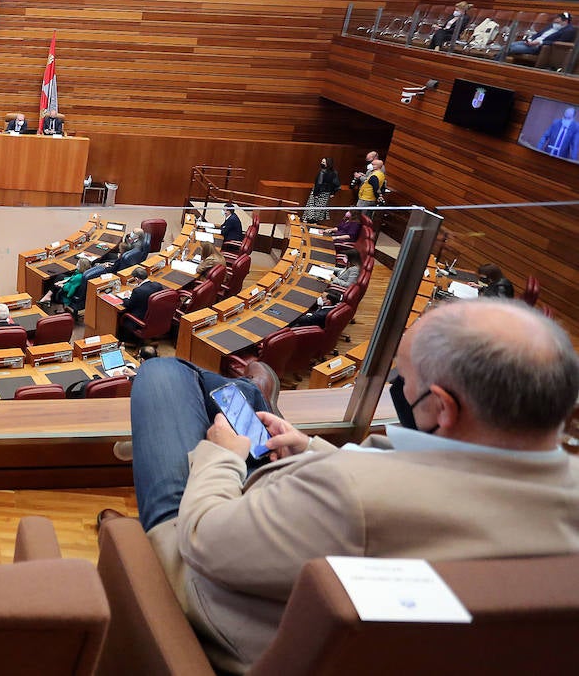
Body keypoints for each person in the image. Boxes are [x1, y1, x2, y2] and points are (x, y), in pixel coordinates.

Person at [108, 299, 579, 672]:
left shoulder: (350, 493)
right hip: (311, 545)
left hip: (214, 592)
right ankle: (252, 397)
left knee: (163, 374)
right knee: (235, 400)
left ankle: (240, 404)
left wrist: (222, 457)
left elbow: (203, 538)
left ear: (443, 408)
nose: (398, 385)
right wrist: (311, 451)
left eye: (403, 379)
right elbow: (426, 490)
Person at [508, 12, 575, 56]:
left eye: (558, 19)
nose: (555, 20)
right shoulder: (552, 25)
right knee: (507, 46)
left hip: (539, 48)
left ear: (565, 21)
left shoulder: (568, 30)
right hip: (530, 43)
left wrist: (540, 42)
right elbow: (539, 34)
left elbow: (558, 43)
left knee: (511, 48)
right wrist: (530, 40)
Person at [304, 157, 339, 224]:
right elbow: (337, 184)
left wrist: (315, 194)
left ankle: (310, 221)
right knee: (319, 209)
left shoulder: (322, 172)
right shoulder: (334, 172)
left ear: (328, 164)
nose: (321, 163)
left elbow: (319, 184)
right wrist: (333, 193)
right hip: (325, 194)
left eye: (323, 162)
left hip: (319, 193)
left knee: (313, 208)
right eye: (321, 162)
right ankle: (314, 222)